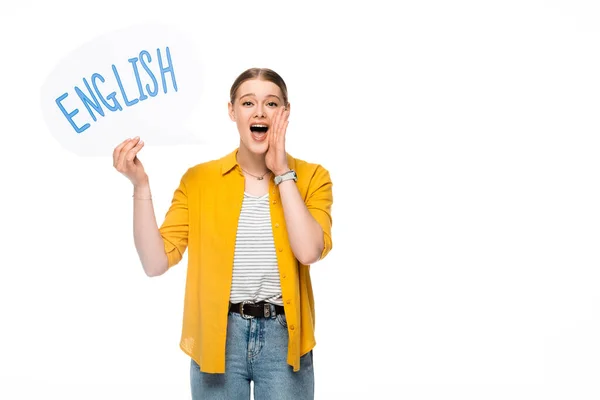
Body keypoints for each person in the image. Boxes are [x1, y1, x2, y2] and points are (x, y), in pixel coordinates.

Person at [112, 67, 333, 399]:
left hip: (284, 337)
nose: (259, 112)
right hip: (218, 337)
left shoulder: (313, 177)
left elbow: (308, 251)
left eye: (271, 104)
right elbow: (155, 263)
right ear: (232, 111)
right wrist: (140, 185)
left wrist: (283, 172)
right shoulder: (198, 180)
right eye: (247, 103)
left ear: (284, 113)